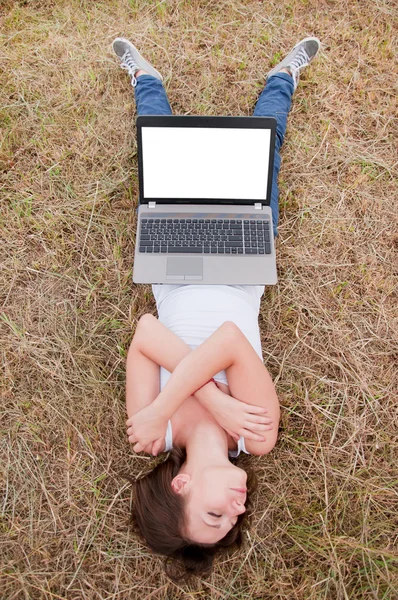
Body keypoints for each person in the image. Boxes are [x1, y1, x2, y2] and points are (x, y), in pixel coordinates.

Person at [113, 35, 321, 579]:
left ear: (179, 486)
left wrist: (172, 404)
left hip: (171, 265)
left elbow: (144, 330)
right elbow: (229, 337)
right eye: (235, 520)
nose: (238, 508)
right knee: (267, 145)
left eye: (215, 515)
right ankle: (284, 79)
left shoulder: (150, 431)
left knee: (158, 147)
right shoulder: (255, 435)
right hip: (242, 263)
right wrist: (216, 404)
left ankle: (146, 81)